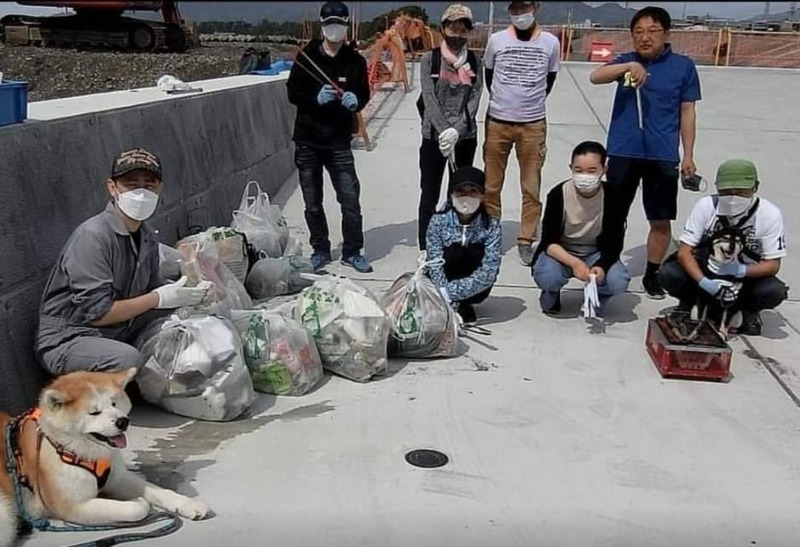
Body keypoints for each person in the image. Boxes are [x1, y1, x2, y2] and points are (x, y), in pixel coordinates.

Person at [36, 148, 213, 375]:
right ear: (113, 188)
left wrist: (190, 294)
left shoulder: (147, 237)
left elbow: (152, 292)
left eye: (149, 185)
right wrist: (158, 298)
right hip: (72, 336)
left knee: (192, 322)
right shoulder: (93, 237)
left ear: (160, 188)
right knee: (127, 359)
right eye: (132, 185)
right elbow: (98, 313)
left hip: (119, 329)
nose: (141, 193)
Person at [589, 6, 701, 300]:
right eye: (638, 32)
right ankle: (607, 263)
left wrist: (688, 154)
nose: (644, 37)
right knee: (614, 214)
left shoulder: (683, 67)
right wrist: (628, 67)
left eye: (652, 31)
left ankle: (653, 272)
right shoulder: (627, 61)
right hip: (623, 152)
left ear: (666, 33)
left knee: (660, 219)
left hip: (662, 154)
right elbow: (596, 76)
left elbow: (687, 112)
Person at [286, 1, 372, 273]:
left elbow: (364, 93)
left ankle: (352, 251)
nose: (334, 28)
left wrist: (356, 100)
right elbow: (293, 93)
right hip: (308, 140)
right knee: (312, 202)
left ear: (346, 26)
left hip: (339, 141)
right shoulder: (306, 57)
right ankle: (320, 249)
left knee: (350, 199)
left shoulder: (355, 61)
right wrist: (315, 98)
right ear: (322, 26)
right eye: (329, 23)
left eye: (339, 24)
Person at [659, 159, 789, 336]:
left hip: (745, 276)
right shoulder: (706, 206)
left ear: (755, 187)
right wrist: (703, 281)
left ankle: (747, 311)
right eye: (726, 192)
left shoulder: (769, 214)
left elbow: (772, 264)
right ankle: (688, 303)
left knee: (774, 291)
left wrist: (739, 270)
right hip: (707, 270)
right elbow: (684, 252)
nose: (733, 197)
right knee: (669, 273)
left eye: (740, 192)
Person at [483, 1, 561, 267]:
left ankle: (526, 239)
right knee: (491, 184)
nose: (519, 14)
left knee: (531, 186)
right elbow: (489, 75)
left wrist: (528, 104)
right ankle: (491, 234)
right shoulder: (496, 40)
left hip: (533, 124)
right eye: (514, 10)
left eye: (524, 8)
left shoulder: (550, 43)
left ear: (536, 7)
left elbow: (549, 80)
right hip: (498, 122)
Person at [416, 3, 483, 264]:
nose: (457, 34)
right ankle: (426, 247)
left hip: (464, 137)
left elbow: (475, 98)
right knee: (429, 194)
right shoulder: (430, 60)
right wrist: (444, 130)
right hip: (434, 137)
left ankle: (453, 241)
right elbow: (429, 98)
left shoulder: (475, 62)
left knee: (460, 193)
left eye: (463, 29)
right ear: (443, 28)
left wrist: (457, 129)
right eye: (452, 28)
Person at [532, 141, 630, 316]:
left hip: (596, 252)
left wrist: (601, 266)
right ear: (571, 168)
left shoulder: (614, 196)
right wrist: (575, 263)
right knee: (547, 276)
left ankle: (597, 297)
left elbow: (615, 243)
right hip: (563, 251)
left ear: (603, 169)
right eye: (579, 170)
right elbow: (548, 241)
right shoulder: (558, 194)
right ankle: (551, 293)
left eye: (592, 171)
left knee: (618, 281)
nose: (584, 176)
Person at [426, 166, 502, 325]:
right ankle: (449, 305)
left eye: (473, 191)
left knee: (475, 251)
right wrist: (442, 292)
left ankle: (464, 303)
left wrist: (449, 293)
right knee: (454, 252)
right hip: (442, 282)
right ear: (451, 194)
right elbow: (434, 261)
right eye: (460, 191)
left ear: (482, 196)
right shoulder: (437, 221)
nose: (466, 196)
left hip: (470, 286)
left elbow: (489, 270)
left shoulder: (491, 226)